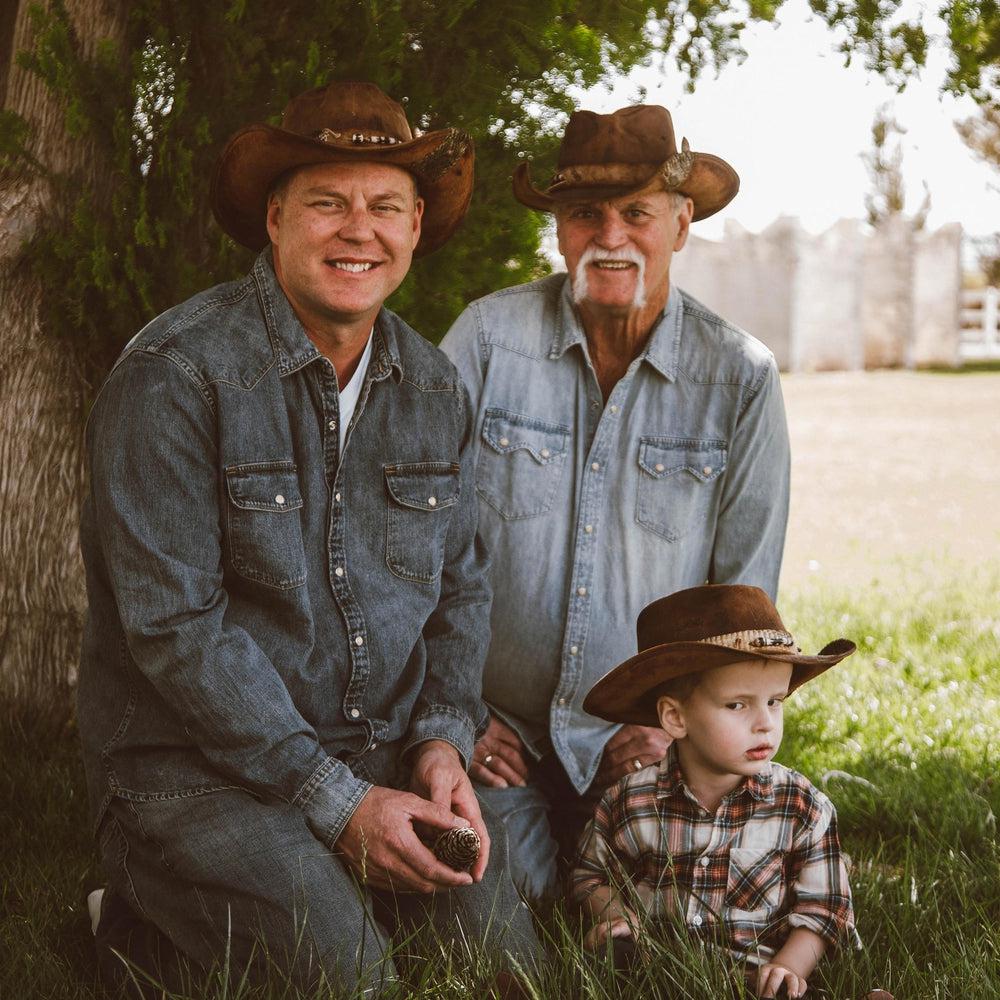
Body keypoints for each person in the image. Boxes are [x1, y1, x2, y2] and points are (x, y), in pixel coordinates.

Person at [76, 80, 539, 994]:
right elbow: (174, 631)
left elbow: (460, 591)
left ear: (413, 230)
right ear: (277, 218)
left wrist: (440, 745)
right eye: (328, 202)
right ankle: (136, 896)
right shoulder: (174, 376)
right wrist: (338, 805)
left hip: (373, 754)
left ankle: (211, 920)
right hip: (191, 769)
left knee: (503, 972)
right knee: (354, 983)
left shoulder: (435, 388)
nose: (356, 230)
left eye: (385, 206)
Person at [440, 103, 791, 895]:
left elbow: (747, 602)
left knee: (687, 922)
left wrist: (678, 724)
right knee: (486, 913)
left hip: (655, 739)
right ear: (559, 229)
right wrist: (455, 710)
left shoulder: (739, 376)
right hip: (500, 734)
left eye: (637, 213)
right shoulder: (487, 341)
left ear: (681, 224)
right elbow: (410, 543)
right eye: (584, 214)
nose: (611, 235)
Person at [571, 584, 864, 999]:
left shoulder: (801, 807)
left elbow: (826, 907)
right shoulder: (629, 802)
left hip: (757, 979)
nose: (765, 723)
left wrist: (789, 967)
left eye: (775, 702)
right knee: (607, 972)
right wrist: (616, 917)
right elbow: (590, 875)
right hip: (655, 971)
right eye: (738, 705)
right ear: (675, 717)